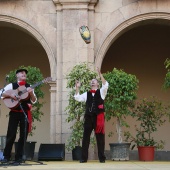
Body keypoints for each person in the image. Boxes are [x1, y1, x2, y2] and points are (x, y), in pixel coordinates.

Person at [0, 69, 37, 163]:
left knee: (23, 136)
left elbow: (34, 100)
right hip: (14, 112)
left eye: (25, 73)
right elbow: (1, 93)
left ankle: (19, 157)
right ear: (17, 75)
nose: (24, 74)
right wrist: (11, 94)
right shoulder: (11, 85)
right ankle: (6, 156)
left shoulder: (29, 86)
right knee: (11, 134)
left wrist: (31, 92)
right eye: (21, 73)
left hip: (24, 112)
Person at [74, 67, 109, 163]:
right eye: (91, 81)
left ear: (98, 84)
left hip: (99, 118)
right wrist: (77, 88)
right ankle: (83, 158)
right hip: (89, 117)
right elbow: (77, 98)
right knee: (85, 138)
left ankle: (102, 158)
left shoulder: (102, 92)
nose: (92, 82)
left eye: (94, 81)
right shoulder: (87, 94)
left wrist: (100, 74)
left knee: (100, 139)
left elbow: (105, 85)